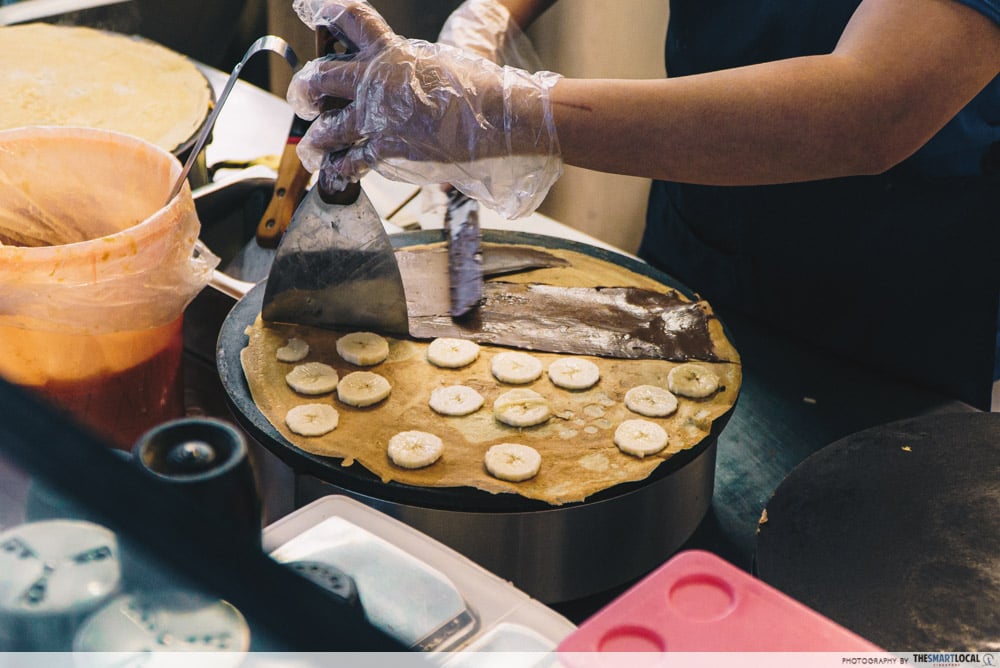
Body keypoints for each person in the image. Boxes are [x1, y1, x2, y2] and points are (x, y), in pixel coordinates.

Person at [286, 0, 1000, 408]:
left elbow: (872, 110)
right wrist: (489, 12)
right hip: (703, 234)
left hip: (891, 302)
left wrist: (510, 111)